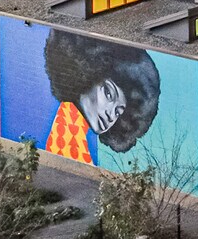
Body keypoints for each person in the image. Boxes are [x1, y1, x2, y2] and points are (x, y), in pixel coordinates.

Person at [42, 30, 161, 159]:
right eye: (109, 94)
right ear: (90, 72)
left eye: (118, 112)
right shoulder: (61, 122)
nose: (111, 116)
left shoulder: (85, 143)